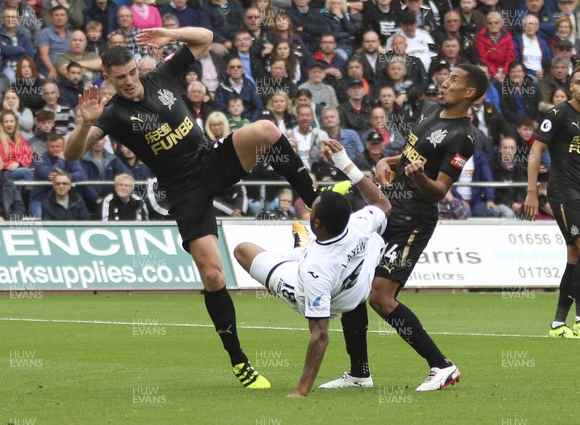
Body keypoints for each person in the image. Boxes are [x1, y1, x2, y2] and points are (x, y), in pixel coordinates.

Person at [64, 26, 319, 389]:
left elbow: (206, 37)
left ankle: (317, 202)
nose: (130, 81)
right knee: (214, 275)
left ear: (138, 67)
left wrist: (170, 33)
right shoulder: (112, 113)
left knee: (265, 129)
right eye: (120, 78)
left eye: (133, 72)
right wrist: (83, 125)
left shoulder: (161, 75)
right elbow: (73, 153)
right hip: (184, 191)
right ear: (108, 78)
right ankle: (240, 362)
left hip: (211, 160)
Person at [322, 64, 489, 391]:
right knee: (352, 287)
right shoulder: (429, 110)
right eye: (447, 76)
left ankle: (442, 366)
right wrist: (389, 161)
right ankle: (359, 373)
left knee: (381, 298)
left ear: (469, 93)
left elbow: (439, 190)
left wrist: (416, 176)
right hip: (387, 209)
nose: (445, 82)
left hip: (414, 219)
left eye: (454, 80)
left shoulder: (464, 137)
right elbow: (415, 154)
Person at [234, 139, 391, 397]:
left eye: (313, 208)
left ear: (316, 222)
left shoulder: (315, 270)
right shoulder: (359, 223)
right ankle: (301, 250)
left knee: (243, 250)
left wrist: (301, 391)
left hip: (313, 289)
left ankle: (301, 250)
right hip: (356, 290)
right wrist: (346, 165)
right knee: (376, 238)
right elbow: (383, 204)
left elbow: (320, 334)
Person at [524, 66, 580, 339]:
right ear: (571, 86)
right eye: (578, 82)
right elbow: (536, 149)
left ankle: (559, 324)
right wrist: (532, 191)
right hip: (563, 192)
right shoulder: (558, 114)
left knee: (575, 255)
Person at [29, 133, 86, 219]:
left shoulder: (71, 157)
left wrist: (65, 176)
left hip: (66, 199)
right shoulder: (40, 159)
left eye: (58, 146)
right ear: (47, 147)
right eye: (52, 146)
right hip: (40, 199)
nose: (55, 149)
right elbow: (52, 173)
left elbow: (82, 175)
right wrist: (62, 159)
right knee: (40, 222)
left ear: (63, 147)